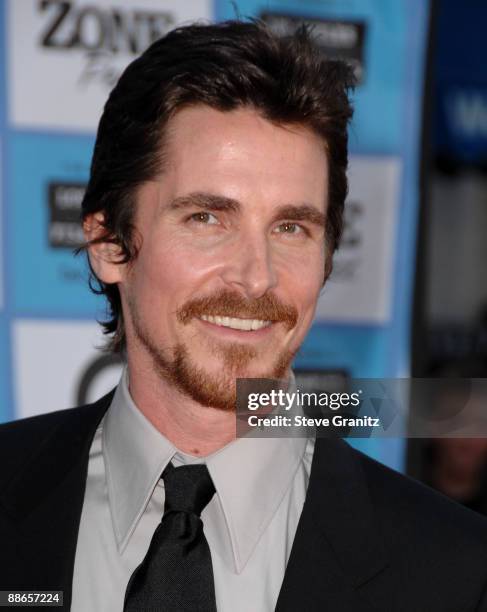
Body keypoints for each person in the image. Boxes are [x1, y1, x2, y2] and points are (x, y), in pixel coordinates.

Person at [1, 20, 487, 612]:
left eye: (291, 227)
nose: (256, 277)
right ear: (109, 245)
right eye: (208, 218)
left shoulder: (457, 572)